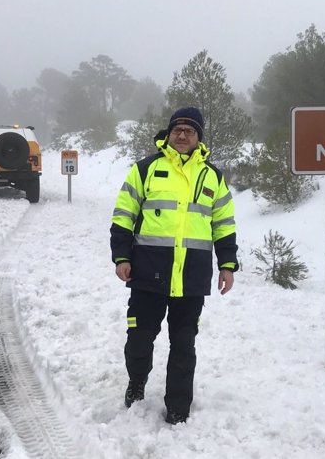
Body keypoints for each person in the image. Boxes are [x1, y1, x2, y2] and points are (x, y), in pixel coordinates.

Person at [110, 106, 239, 425]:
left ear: (199, 138)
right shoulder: (145, 170)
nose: (182, 135)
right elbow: (122, 217)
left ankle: (179, 406)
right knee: (139, 339)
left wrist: (227, 264)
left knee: (184, 345)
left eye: (190, 131)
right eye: (177, 129)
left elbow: (224, 224)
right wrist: (122, 257)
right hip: (147, 275)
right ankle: (137, 382)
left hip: (191, 279)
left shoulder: (213, 177)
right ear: (168, 134)